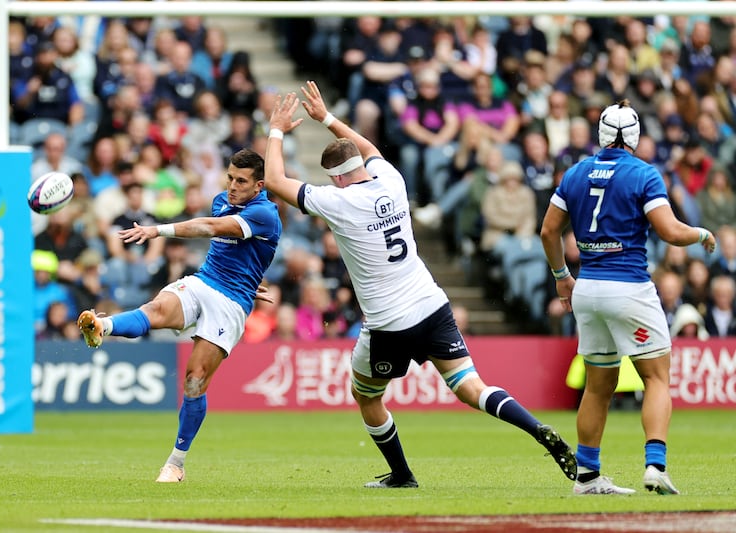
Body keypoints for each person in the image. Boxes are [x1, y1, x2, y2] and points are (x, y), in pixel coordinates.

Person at [264, 81, 576, 489]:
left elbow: (273, 180)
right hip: (432, 305)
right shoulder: (390, 180)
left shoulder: (336, 202)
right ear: (361, 165)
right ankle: (536, 429)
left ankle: (402, 474)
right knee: (471, 387)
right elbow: (366, 148)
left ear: (335, 179)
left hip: (388, 324)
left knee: (367, 396)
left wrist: (275, 130)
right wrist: (327, 119)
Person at [540, 100, 718, 496]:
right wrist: (702, 233)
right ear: (635, 136)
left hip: (587, 289)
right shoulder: (643, 173)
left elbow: (549, 232)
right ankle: (655, 465)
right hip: (629, 288)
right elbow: (670, 232)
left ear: (600, 133)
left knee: (597, 386)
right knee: (656, 377)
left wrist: (561, 278)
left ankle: (587, 476)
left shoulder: (576, 172)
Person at [76, 148, 281, 483]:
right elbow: (234, 247)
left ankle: (176, 463)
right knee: (155, 309)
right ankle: (102, 325)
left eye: (241, 181)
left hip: (230, 304)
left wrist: (157, 230)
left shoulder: (265, 214)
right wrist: (250, 273)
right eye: (230, 177)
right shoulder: (221, 199)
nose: (232, 186)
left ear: (259, 185)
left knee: (195, 380)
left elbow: (208, 227)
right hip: (204, 280)